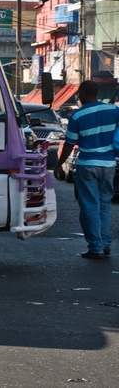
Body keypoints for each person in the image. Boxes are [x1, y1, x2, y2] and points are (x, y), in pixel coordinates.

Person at [57, 80, 119, 260]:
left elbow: (69, 143)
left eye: (78, 95)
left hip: (87, 165)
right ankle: (105, 243)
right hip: (108, 165)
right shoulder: (113, 110)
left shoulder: (78, 116)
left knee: (89, 206)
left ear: (83, 94)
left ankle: (96, 247)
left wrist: (60, 164)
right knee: (104, 203)